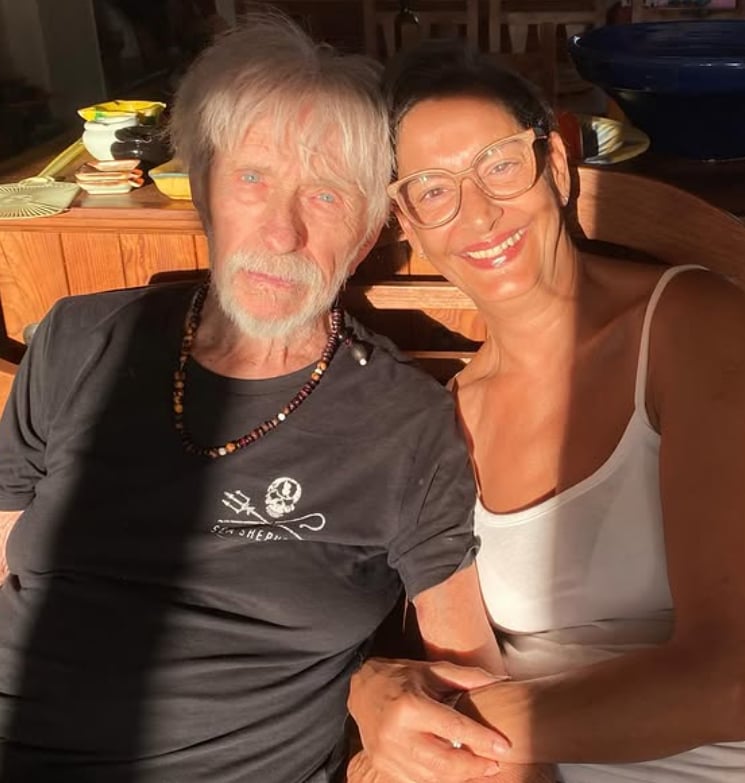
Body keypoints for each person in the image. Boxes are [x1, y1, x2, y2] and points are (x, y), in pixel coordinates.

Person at [0, 16, 522, 782]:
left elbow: (470, 684)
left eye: (325, 194)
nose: (281, 233)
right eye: (251, 178)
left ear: (369, 229)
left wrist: (376, 691)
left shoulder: (405, 423)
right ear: (204, 189)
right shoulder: (80, 341)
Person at [348, 38, 745, 783]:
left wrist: (432, 724)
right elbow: (461, 664)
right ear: (406, 220)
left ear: (555, 164)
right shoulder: (441, 421)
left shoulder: (689, 327)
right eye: (432, 190)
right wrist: (373, 690)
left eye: (498, 165)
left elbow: (731, 682)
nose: (477, 213)